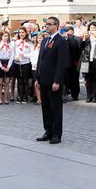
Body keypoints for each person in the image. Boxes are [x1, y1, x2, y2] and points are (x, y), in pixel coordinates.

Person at [35, 16, 68, 144]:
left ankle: (56, 133)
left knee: (55, 108)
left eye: (49, 24)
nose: (46, 26)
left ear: (56, 26)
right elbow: (40, 60)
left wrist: (57, 81)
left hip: (53, 81)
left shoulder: (61, 41)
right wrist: (37, 78)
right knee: (46, 108)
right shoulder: (45, 40)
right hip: (43, 79)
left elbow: (61, 63)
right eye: (46, 24)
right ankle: (48, 131)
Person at [80, 22, 96, 103]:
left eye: (94, 28)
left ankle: (94, 96)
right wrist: (84, 39)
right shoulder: (86, 37)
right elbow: (81, 47)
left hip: (95, 60)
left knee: (95, 79)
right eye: (91, 28)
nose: (92, 29)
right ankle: (88, 96)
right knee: (87, 79)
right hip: (86, 60)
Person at [15, 26, 33, 104]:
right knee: (19, 80)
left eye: (23, 32)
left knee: (25, 80)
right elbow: (13, 52)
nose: (21, 34)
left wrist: (24, 55)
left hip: (26, 63)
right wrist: (15, 57)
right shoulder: (16, 42)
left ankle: (25, 97)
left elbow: (31, 53)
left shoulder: (29, 43)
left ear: (26, 33)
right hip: (18, 63)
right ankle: (20, 96)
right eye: (20, 32)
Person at [0, 31, 14, 105]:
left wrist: (8, 66)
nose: (6, 37)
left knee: (7, 82)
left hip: (8, 63)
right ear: (1, 37)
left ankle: (5, 99)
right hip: (0, 63)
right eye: (4, 36)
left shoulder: (10, 45)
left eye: (7, 36)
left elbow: (12, 56)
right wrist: (1, 67)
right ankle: (0, 99)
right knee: (0, 83)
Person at [64, 26, 82, 102]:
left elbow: (78, 49)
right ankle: (65, 94)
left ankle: (75, 95)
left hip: (74, 63)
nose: (67, 33)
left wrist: (69, 38)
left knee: (75, 80)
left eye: (68, 31)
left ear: (72, 31)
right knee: (66, 80)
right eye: (66, 31)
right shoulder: (63, 38)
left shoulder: (77, 39)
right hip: (65, 63)